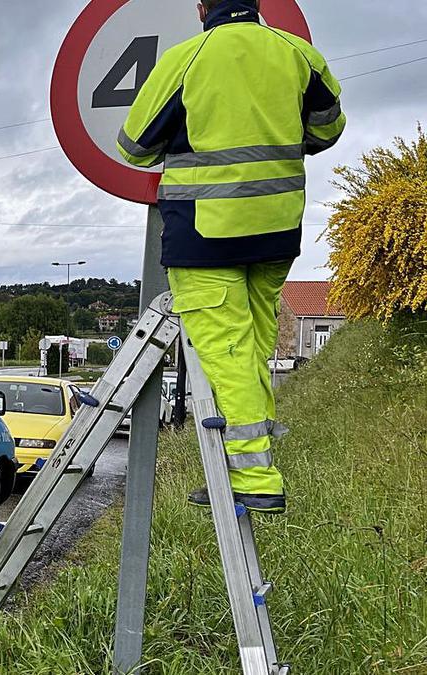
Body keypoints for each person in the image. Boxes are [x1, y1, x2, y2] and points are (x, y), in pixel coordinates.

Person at [118, 0, 345, 513]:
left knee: (224, 350)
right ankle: (257, 449)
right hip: (277, 230)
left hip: (205, 234)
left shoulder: (186, 59)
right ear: (259, 2)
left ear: (201, 6)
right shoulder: (298, 55)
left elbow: (133, 146)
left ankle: (255, 475)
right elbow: (329, 128)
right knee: (254, 343)